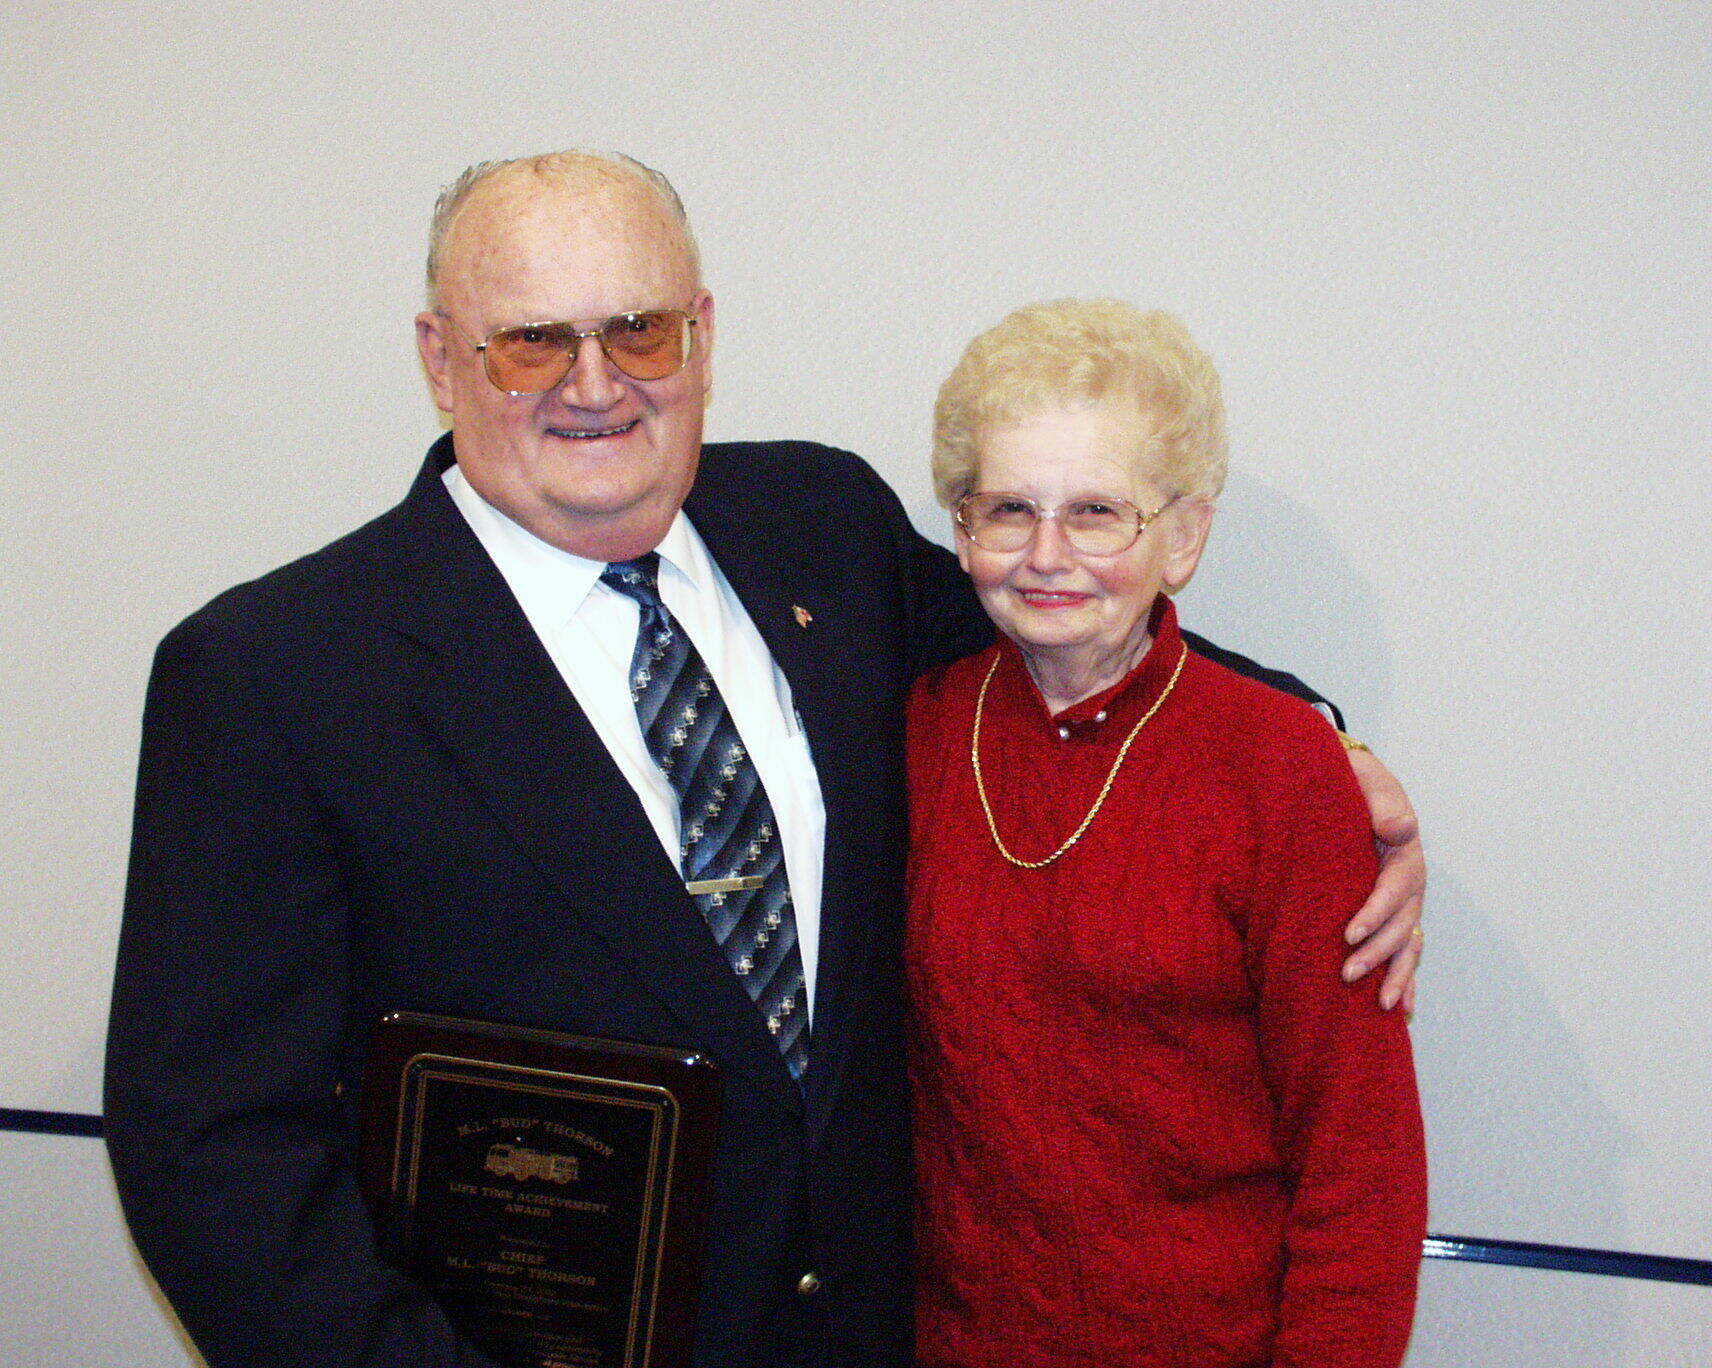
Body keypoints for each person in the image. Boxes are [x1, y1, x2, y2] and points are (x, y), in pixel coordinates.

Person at [104, 152, 1423, 1368]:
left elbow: (1076, 647)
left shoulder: (818, 525)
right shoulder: (276, 675)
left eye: (638, 328)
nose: (595, 383)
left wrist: (1325, 752)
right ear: (441, 360)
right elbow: (213, 1156)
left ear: (704, 336)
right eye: (531, 342)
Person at [906, 299, 1428, 1367]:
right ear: (962, 528)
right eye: (1007, 509)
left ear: (1181, 535)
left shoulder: (1280, 769)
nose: (1045, 554)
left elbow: (1358, 1170)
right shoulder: (910, 732)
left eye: (1096, 512)